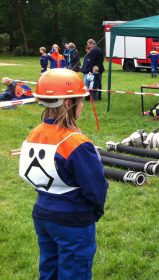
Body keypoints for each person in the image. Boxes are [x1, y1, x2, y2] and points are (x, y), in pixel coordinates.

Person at [18, 69, 108, 279]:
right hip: (73, 220)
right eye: (80, 100)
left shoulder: (35, 133)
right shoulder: (77, 142)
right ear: (68, 103)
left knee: (49, 270)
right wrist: (94, 212)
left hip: (43, 213)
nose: (82, 105)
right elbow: (96, 187)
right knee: (75, 273)